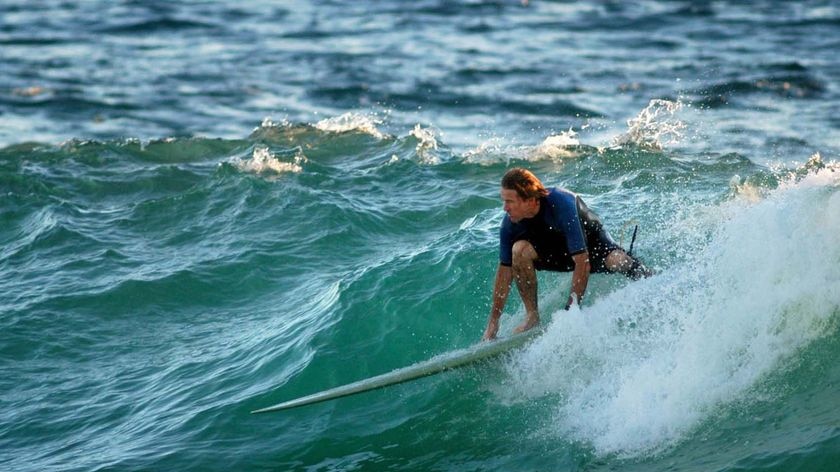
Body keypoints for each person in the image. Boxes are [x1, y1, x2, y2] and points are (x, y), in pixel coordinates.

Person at [482, 168, 652, 341]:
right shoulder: (510, 224)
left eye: (509, 201)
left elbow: (582, 261)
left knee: (618, 261)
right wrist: (493, 322)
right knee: (518, 250)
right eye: (504, 201)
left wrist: (570, 313)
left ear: (530, 200)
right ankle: (532, 317)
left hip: (593, 250)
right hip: (558, 255)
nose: (505, 208)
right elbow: (505, 272)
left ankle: (651, 279)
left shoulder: (561, 202)